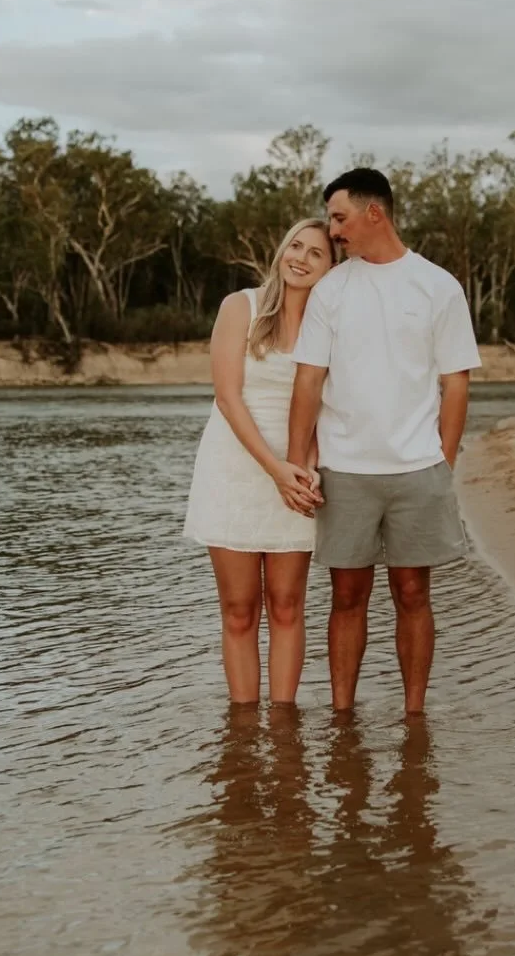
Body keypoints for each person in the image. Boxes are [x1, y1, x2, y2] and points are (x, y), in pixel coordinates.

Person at [288, 169, 481, 715]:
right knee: (347, 598)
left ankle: (414, 716)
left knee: (413, 595)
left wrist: (443, 460)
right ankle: (343, 718)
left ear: (375, 213)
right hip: (346, 470)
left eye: (340, 217)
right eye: (331, 219)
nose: (334, 231)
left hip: (417, 469)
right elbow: (308, 380)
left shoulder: (438, 286)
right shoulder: (331, 289)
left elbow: (456, 381)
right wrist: (295, 461)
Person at [184, 219, 335, 705]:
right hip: (234, 469)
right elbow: (227, 398)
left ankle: (284, 729)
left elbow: (326, 406)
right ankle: (245, 730)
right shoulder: (241, 307)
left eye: (317, 253)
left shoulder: (330, 325)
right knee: (238, 610)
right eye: (296, 245)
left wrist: (305, 469)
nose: (302, 258)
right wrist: (275, 469)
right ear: (280, 249)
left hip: (297, 474)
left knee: (288, 607)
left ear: (331, 268)